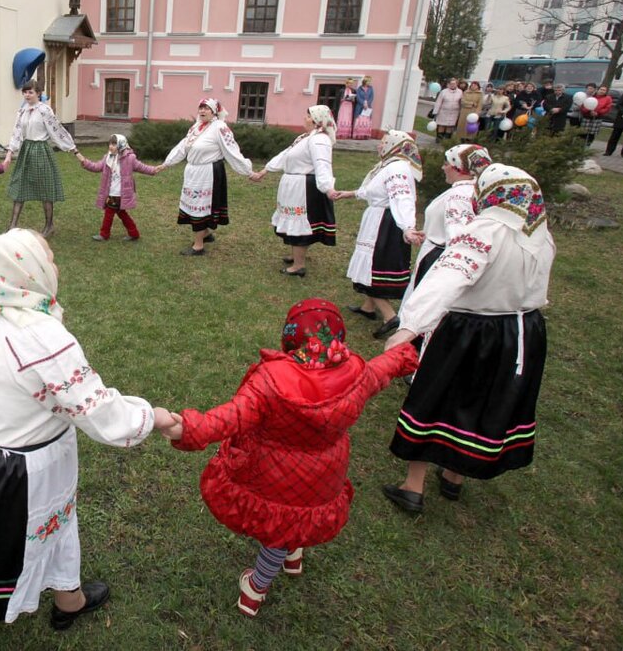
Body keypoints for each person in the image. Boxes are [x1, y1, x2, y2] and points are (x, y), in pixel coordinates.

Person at [0, 229, 179, 651]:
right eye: (49, 258)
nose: (56, 267)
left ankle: (69, 597)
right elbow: (93, 407)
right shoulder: (42, 337)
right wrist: (151, 417)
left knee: (50, 524)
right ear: (24, 271)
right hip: (23, 468)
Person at [162, 299, 418, 618]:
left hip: (274, 473)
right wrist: (403, 354)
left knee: (279, 529)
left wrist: (185, 427)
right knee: (301, 517)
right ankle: (293, 557)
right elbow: (383, 370)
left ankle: (255, 588)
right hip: (324, 471)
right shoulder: (356, 371)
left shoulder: (270, 381)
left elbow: (230, 417)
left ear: (290, 337)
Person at [382, 163, 555, 512]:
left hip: (469, 329)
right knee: (484, 400)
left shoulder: (483, 231)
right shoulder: (540, 235)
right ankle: (453, 476)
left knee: (436, 397)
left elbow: (448, 279)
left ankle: (413, 485)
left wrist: (409, 327)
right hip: (521, 334)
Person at [338, 130, 421, 339]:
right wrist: (351, 193)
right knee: (369, 266)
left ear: (394, 145)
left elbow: (402, 198)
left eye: (383, 142)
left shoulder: (397, 168)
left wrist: (407, 226)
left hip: (385, 226)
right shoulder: (389, 165)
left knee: (373, 269)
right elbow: (374, 190)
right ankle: (368, 307)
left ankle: (390, 316)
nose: (379, 145)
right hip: (378, 220)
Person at [399, 144, 492, 313]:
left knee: (425, 308)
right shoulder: (471, 191)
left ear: (459, 168)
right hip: (437, 249)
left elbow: (460, 237)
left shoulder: (459, 196)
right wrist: (431, 233)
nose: (443, 167)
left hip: (440, 258)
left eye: (447, 163)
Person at [252, 105, 339, 277]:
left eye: (308, 116)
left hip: (303, 187)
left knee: (300, 223)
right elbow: (286, 155)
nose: (305, 118)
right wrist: (265, 170)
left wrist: (328, 188)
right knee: (294, 221)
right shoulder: (305, 137)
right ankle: (296, 256)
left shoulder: (319, 140)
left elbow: (322, 164)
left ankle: (299, 265)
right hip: (294, 185)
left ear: (317, 121)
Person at [161, 98, 255, 256]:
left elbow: (231, 150)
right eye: (201, 108)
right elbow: (183, 146)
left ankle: (198, 246)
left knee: (200, 206)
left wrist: (248, 171)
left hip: (208, 172)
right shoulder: (196, 127)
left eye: (207, 108)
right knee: (194, 203)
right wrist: (167, 163)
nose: (202, 111)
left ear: (214, 112)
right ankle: (205, 233)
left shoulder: (220, 128)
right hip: (193, 171)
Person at [1, 80, 79, 238]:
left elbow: (57, 130)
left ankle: (49, 226)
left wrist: (73, 148)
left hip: (41, 151)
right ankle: (12, 225)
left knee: (45, 189)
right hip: (26, 151)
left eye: (30, 92)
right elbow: (16, 132)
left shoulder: (45, 110)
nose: (27, 95)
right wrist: (9, 153)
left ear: (38, 93)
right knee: (20, 187)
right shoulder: (22, 110)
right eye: (25, 92)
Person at [75, 134, 158, 243]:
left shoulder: (130, 158)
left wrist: (154, 169)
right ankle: (134, 233)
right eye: (110, 144)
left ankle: (104, 235)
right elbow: (96, 167)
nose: (111, 146)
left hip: (120, 194)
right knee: (122, 213)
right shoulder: (108, 158)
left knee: (109, 213)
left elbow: (142, 167)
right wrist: (83, 160)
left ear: (121, 145)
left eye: (114, 144)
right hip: (111, 192)